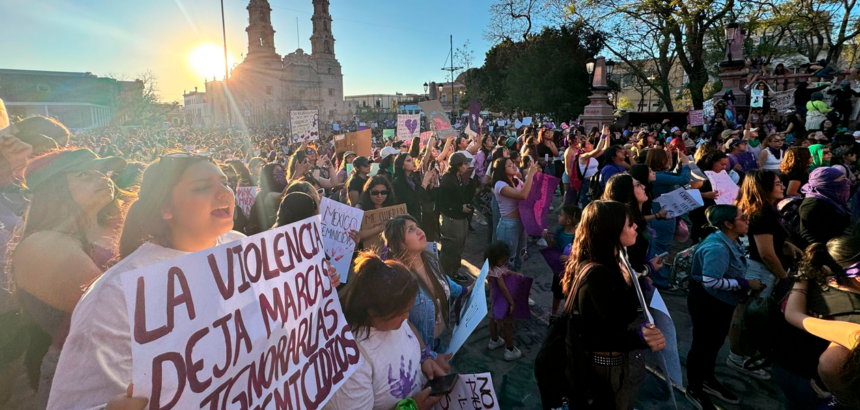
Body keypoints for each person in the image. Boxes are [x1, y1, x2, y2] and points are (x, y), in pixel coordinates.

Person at [48, 153, 246, 410]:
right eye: (202, 187)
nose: (225, 193)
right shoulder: (116, 294)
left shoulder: (238, 244)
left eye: (225, 182)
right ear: (165, 208)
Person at [9, 149, 127, 408]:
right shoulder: (44, 245)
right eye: (85, 175)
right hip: (84, 375)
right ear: (55, 190)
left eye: (103, 172)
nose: (103, 178)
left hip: (118, 362)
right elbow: (116, 311)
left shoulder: (111, 226)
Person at [561, 200, 666, 409]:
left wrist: (631, 282)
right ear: (611, 230)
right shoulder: (598, 274)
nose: (635, 226)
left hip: (612, 362)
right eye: (629, 224)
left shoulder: (614, 261)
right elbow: (594, 336)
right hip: (603, 370)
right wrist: (639, 338)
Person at [323, 253, 445, 410]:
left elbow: (408, 327)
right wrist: (412, 407)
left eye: (407, 310)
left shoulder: (392, 318)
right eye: (401, 313)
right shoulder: (351, 359)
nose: (407, 316)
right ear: (373, 311)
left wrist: (425, 357)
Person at [685, 205, 764, 410]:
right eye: (742, 218)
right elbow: (710, 281)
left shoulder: (732, 240)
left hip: (721, 301)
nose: (747, 220)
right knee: (703, 344)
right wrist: (746, 284)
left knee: (715, 342)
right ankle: (694, 388)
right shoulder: (718, 248)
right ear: (728, 224)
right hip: (708, 302)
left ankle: (707, 378)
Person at [775, 235, 860, 409]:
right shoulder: (854, 313)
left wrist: (802, 277)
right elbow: (830, 363)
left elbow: (792, 313)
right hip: (817, 387)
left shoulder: (816, 281)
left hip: (783, 367)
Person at [383, 215, 468, 354]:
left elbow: (443, 280)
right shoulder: (399, 282)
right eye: (411, 229)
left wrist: (464, 290)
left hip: (439, 344)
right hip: (420, 353)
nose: (419, 231)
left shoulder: (430, 258)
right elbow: (402, 326)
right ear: (399, 243)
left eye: (417, 226)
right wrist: (425, 356)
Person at [646, 147, 692, 289]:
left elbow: (673, 178)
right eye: (667, 158)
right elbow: (683, 179)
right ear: (660, 160)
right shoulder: (657, 176)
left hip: (661, 216)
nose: (670, 160)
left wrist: (679, 167)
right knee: (660, 248)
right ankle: (660, 281)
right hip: (662, 218)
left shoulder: (657, 175)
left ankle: (657, 277)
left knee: (658, 247)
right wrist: (686, 165)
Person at [492, 157, 539, 271]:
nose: (513, 166)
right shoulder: (500, 184)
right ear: (502, 170)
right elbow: (522, 195)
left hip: (522, 222)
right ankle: (503, 284)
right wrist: (531, 175)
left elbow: (529, 192)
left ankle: (515, 281)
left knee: (521, 254)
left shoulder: (517, 180)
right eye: (509, 165)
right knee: (508, 258)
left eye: (513, 163)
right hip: (508, 225)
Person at [484, 241, 527, 360]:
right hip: (503, 301)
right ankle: (510, 349)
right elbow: (503, 287)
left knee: (494, 319)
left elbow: (505, 271)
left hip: (494, 300)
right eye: (503, 261)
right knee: (507, 324)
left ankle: (494, 340)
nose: (504, 263)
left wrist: (515, 274)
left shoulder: (491, 267)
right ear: (495, 258)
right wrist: (511, 302)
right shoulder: (496, 271)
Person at [437, 152, 475, 281]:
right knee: (450, 250)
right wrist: (460, 208)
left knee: (459, 247)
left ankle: (454, 272)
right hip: (452, 220)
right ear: (457, 165)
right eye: (464, 163)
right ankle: (445, 276)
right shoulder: (448, 179)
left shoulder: (458, 177)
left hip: (460, 218)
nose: (467, 166)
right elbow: (444, 202)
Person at [541, 205, 582, 316]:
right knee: (557, 293)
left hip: (572, 271)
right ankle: (554, 315)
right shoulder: (560, 231)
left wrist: (571, 258)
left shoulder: (578, 235)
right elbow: (553, 246)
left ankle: (569, 315)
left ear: (568, 221)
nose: (558, 216)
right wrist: (547, 238)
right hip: (558, 271)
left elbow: (583, 253)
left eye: (561, 215)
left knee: (570, 294)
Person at [798, 167, 851, 248]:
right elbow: (809, 235)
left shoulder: (832, 199)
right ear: (827, 183)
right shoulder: (812, 204)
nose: (846, 182)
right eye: (842, 179)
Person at [392, 153, 436, 225]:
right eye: (409, 160)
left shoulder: (413, 179)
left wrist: (431, 184)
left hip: (417, 219)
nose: (413, 162)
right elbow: (413, 200)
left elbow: (425, 199)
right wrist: (425, 181)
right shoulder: (397, 183)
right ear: (402, 166)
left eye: (412, 160)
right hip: (405, 221)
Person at [356, 175, 397, 250]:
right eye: (375, 193)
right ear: (368, 192)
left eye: (384, 192)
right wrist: (380, 228)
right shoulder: (360, 208)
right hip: (368, 252)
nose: (379, 196)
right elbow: (356, 234)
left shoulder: (393, 206)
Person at [246, 162, 286, 235]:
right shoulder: (264, 194)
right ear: (269, 175)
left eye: (282, 170)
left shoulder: (283, 187)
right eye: (277, 171)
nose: (281, 173)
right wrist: (296, 174)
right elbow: (282, 195)